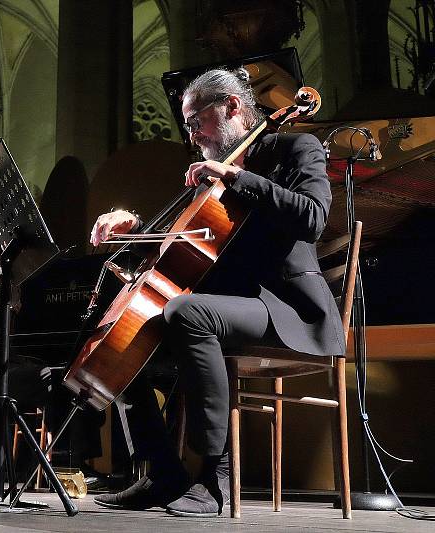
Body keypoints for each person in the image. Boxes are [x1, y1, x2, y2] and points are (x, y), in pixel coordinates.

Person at [90, 68, 345, 517]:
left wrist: (238, 178)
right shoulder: (215, 174)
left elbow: (313, 217)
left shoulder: (293, 148)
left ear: (231, 106)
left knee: (187, 312)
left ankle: (215, 476)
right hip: (228, 307)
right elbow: (187, 243)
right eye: (187, 126)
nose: (192, 137)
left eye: (195, 122)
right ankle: (161, 471)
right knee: (129, 337)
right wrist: (133, 224)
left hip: (286, 310)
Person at [0, 270, 104, 474]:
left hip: (15, 366)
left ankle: (78, 458)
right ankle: (62, 463)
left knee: (78, 380)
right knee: (54, 378)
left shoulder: (18, 287)